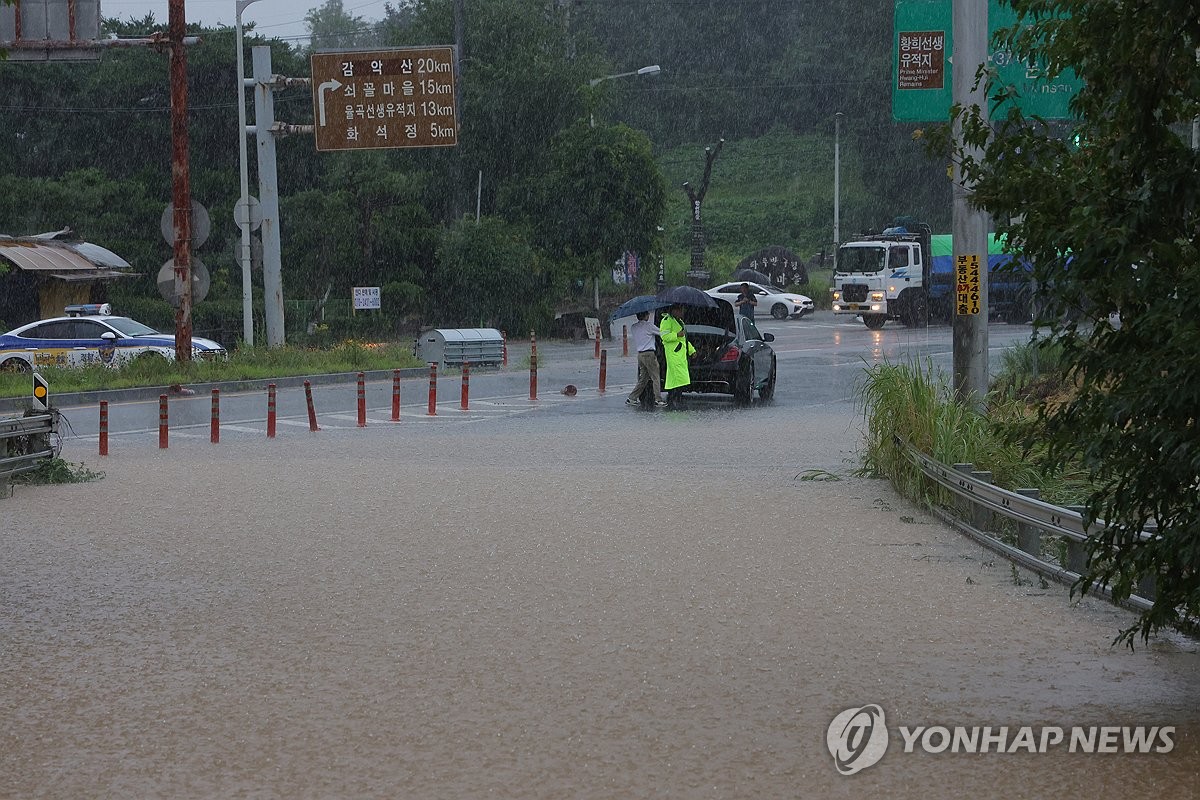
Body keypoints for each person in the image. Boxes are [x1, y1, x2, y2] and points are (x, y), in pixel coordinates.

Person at [625, 311, 666, 407]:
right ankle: (658, 399)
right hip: (649, 354)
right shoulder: (649, 326)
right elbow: (662, 333)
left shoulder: (634, 327)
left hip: (640, 355)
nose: (649, 316)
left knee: (643, 378)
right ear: (645, 316)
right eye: (648, 314)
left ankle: (632, 398)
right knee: (655, 376)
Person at [659, 304, 696, 410]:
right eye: (680, 310)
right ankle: (674, 399)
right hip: (673, 354)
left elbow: (684, 339)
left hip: (681, 354)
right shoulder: (667, 320)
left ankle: (676, 398)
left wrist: (692, 350)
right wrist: (676, 335)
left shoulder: (680, 321)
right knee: (677, 378)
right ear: (674, 310)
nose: (682, 313)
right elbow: (664, 336)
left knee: (679, 378)